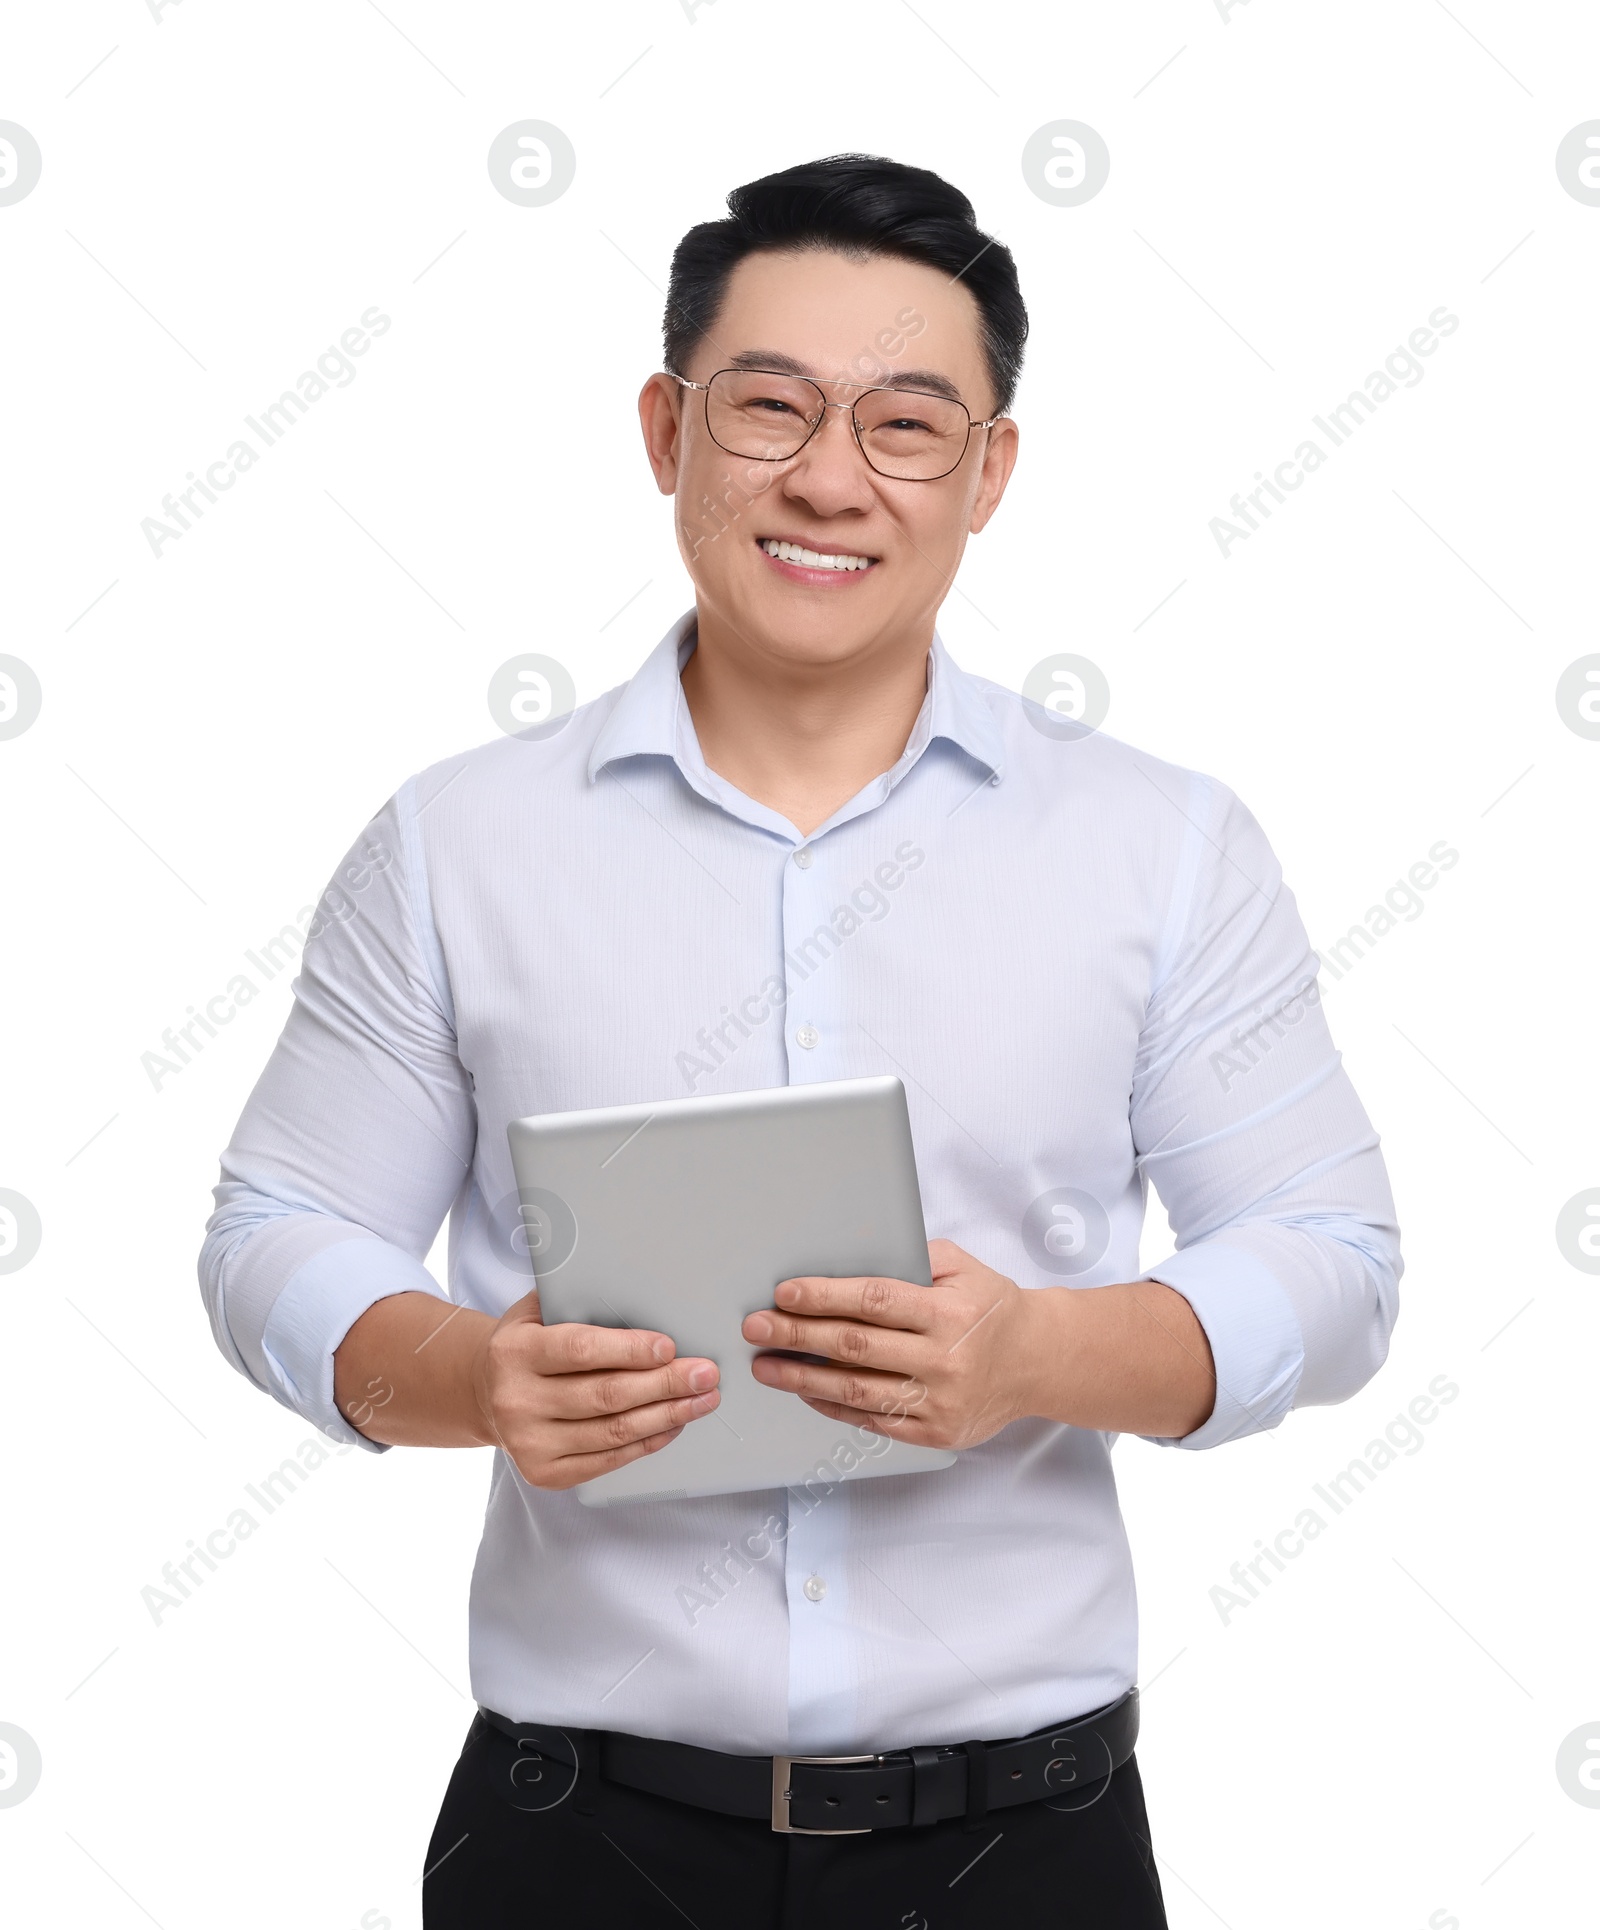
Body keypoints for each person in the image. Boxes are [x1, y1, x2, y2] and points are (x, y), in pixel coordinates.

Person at [199, 153, 1401, 1927]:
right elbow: (271, 1239)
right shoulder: (460, 844)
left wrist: (1036, 1354)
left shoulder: (1162, 846)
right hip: (577, 1843)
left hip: (1029, 1846)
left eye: (908, 423)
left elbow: (1336, 1263)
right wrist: (474, 1381)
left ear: (989, 471)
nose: (829, 476)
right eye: (769, 408)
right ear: (664, 429)